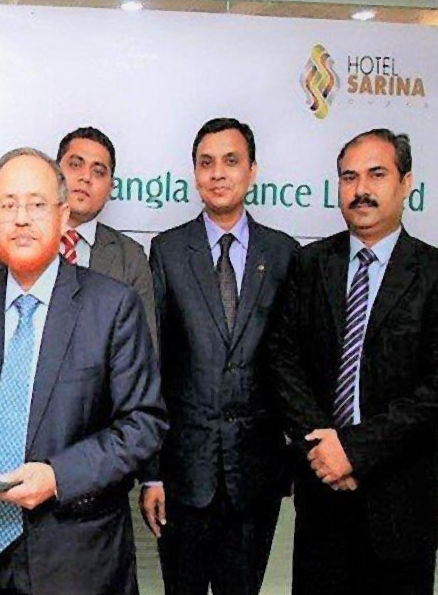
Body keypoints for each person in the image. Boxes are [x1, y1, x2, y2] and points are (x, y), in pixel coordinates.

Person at [0, 147, 166, 595]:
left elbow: (143, 423)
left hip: (80, 559)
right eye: (8, 205)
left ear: (63, 215)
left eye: (36, 204)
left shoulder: (112, 306)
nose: (22, 218)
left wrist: (58, 476)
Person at [265, 129, 438, 594]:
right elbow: (281, 359)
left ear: (406, 182)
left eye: (376, 174)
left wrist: (354, 450)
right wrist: (322, 446)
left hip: (400, 509)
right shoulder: (309, 264)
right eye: (349, 177)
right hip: (321, 500)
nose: (361, 190)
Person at [138, 118, 296, 595]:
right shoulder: (167, 251)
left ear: (252, 170)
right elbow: (152, 366)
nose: (218, 173)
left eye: (231, 161)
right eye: (206, 163)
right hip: (184, 476)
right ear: (194, 173)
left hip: (256, 475)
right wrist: (151, 474)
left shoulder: (284, 253)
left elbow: (292, 364)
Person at [0, 127, 156, 351]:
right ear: (55, 174)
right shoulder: (17, 241)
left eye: (98, 172)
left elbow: (143, 349)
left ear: (110, 189)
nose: (85, 177)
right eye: (75, 165)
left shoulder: (130, 257)